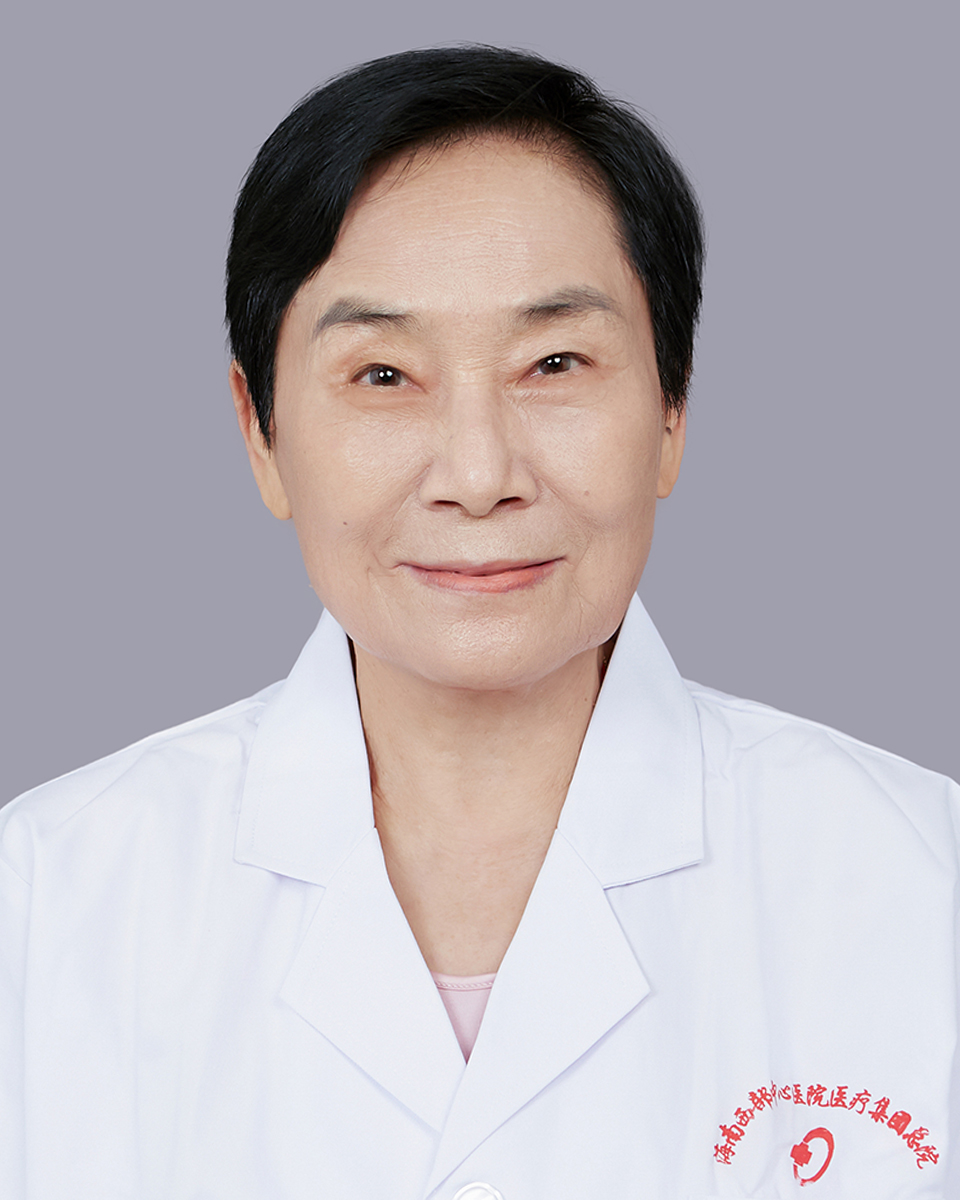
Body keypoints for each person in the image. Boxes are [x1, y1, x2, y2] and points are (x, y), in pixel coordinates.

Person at [1, 44, 956, 1200]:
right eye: (383, 375)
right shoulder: (45, 904)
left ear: (672, 411)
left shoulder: (923, 885)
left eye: (554, 362)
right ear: (260, 432)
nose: (477, 474)